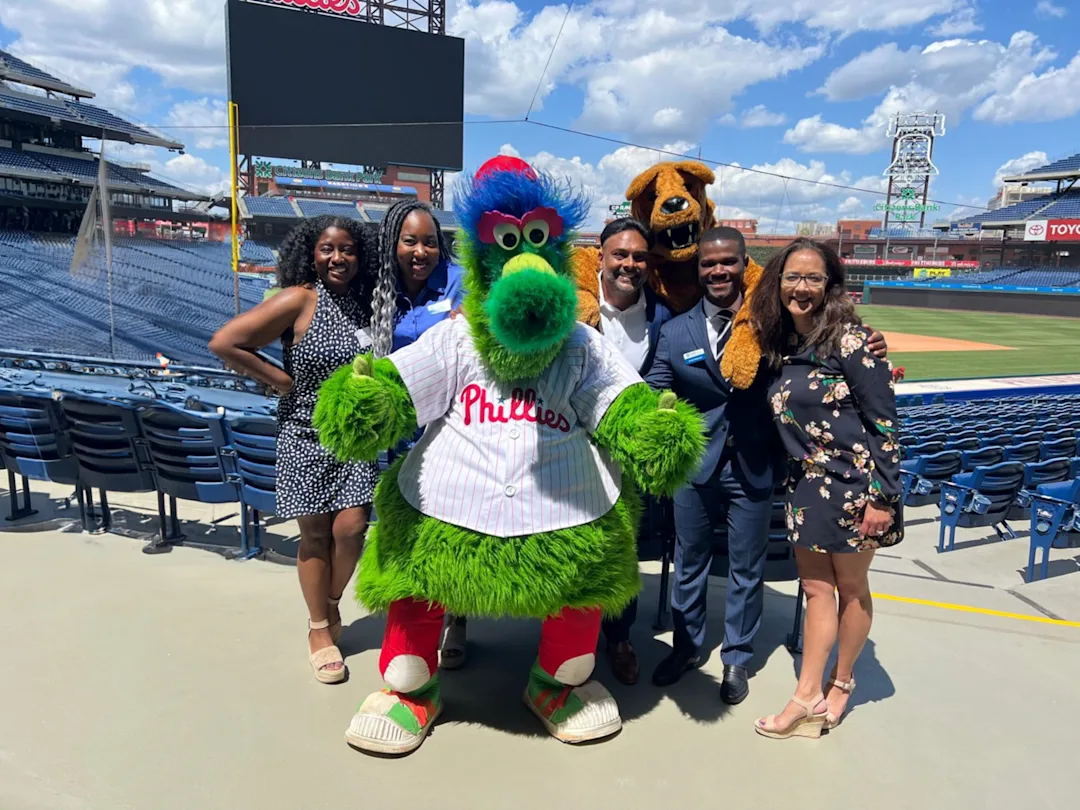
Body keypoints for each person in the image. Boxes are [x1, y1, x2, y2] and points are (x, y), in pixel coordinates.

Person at [644, 227, 888, 705]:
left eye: (728, 262)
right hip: (695, 466)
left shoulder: (770, 323)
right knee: (689, 562)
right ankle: (688, 646)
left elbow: (824, 345)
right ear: (698, 270)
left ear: (744, 265)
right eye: (708, 264)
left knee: (746, 567)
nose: (718, 271)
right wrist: (664, 408)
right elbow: (657, 381)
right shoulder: (676, 330)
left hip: (754, 464)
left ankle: (736, 657)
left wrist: (869, 341)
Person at [208, 215, 379, 685]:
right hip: (303, 433)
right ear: (312, 253)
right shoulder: (299, 298)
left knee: (352, 529)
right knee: (316, 535)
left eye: (347, 250)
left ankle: (328, 603)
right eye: (328, 249)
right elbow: (225, 341)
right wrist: (279, 380)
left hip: (354, 436)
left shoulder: (366, 304)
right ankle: (320, 630)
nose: (338, 258)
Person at [749, 238, 903, 740]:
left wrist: (884, 498)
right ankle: (808, 695)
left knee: (851, 589)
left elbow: (885, 424)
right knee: (816, 590)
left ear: (830, 285)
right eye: (793, 276)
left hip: (857, 489)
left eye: (814, 278)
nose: (802, 287)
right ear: (778, 282)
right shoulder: (783, 344)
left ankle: (841, 683)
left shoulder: (853, 342)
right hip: (805, 487)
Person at [364, 198, 468, 667]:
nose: (421, 251)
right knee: (409, 527)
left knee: (454, 526)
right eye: (410, 241)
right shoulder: (377, 288)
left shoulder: (460, 283)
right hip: (403, 434)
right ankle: (417, 619)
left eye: (430, 241)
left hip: (450, 431)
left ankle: (459, 617)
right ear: (393, 244)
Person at [593, 216, 672, 684]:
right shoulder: (574, 309)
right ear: (600, 256)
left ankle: (619, 638)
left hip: (629, 458)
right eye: (620, 254)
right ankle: (562, 641)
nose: (629, 264)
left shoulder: (663, 317)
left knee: (626, 549)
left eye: (639, 256)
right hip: (576, 446)